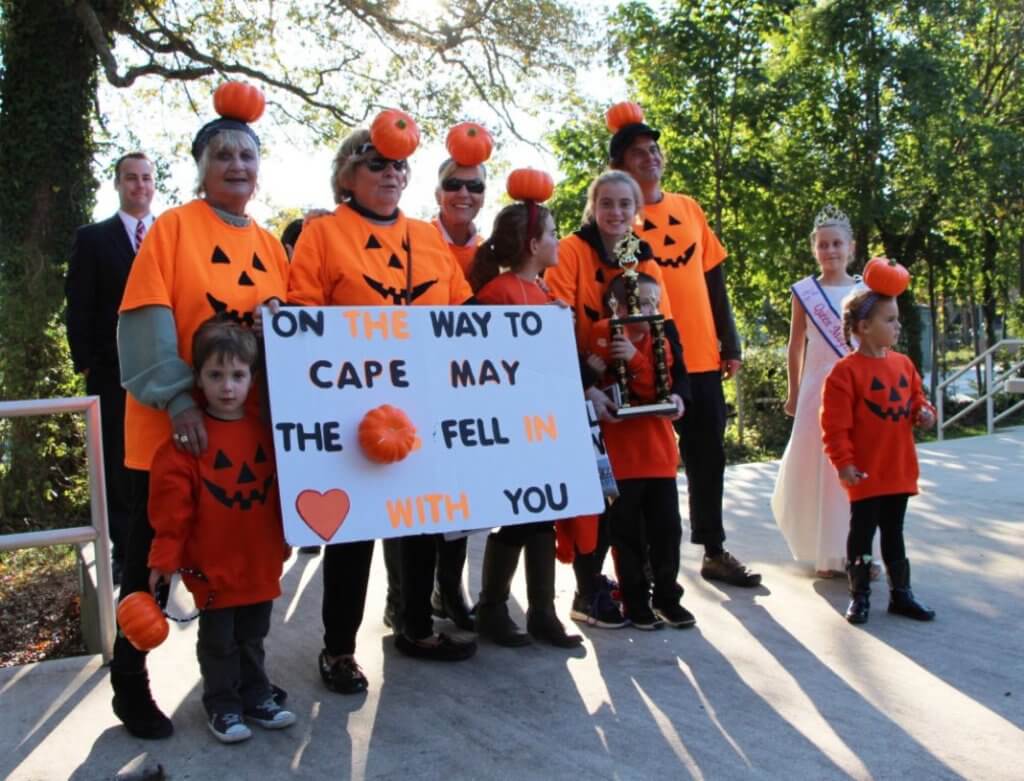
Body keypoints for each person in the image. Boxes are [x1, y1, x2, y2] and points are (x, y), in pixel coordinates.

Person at [111, 105, 289, 739]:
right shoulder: (172, 231)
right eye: (222, 155)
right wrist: (178, 398)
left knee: (238, 565)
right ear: (200, 170)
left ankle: (243, 680)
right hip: (172, 434)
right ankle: (130, 684)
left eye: (246, 155)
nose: (236, 165)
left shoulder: (270, 245)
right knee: (150, 566)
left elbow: (285, 345)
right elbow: (147, 318)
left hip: (242, 442)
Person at [288, 123, 476, 691]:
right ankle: (338, 650)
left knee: (420, 523)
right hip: (350, 413)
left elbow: (464, 318)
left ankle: (415, 626)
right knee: (352, 532)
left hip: (421, 408)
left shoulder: (428, 237)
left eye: (399, 166)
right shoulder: (322, 235)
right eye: (377, 163)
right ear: (348, 174)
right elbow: (302, 319)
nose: (391, 173)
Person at [609, 112, 761, 588]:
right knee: (652, 467)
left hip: (700, 357)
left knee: (707, 457)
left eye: (654, 150)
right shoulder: (617, 217)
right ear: (620, 165)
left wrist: (729, 341)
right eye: (638, 153)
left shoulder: (688, 209)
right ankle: (651, 561)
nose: (651, 157)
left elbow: (713, 276)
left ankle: (713, 550)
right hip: (647, 363)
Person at [545, 169, 687, 628]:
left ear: (636, 210)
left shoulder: (644, 259)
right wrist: (583, 385)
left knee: (643, 514)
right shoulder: (570, 251)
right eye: (606, 203)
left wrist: (673, 389)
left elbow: (661, 328)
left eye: (625, 204)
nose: (615, 212)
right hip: (585, 379)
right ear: (592, 207)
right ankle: (588, 592)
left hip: (636, 395)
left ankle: (644, 592)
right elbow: (556, 322)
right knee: (596, 504)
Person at [147, 317, 295, 743]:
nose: (227, 386)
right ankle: (223, 706)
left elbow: (292, 489)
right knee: (219, 643)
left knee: (253, 637)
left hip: (259, 561)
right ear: (198, 378)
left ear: (252, 378)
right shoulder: (186, 444)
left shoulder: (271, 433)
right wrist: (163, 561)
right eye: (216, 375)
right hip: (212, 568)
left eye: (237, 375)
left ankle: (257, 695)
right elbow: (171, 513)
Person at [466, 200, 582, 648]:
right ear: (534, 244)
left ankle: (542, 612)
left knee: (543, 515)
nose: (558, 240)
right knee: (520, 517)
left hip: (544, 422)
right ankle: (493, 607)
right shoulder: (500, 293)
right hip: (512, 423)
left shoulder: (546, 292)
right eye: (552, 233)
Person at [821, 275, 937, 625]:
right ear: (864, 327)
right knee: (862, 532)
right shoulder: (844, 373)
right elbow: (835, 427)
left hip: (898, 466)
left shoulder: (903, 365)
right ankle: (860, 596)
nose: (897, 326)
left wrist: (925, 413)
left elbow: (916, 400)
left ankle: (901, 594)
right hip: (866, 471)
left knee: (894, 531)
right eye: (890, 320)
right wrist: (844, 463)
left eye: (897, 319)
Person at [771, 206, 877, 578]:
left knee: (858, 468)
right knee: (819, 469)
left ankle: (861, 552)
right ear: (814, 248)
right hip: (818, 391)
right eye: (823, 244)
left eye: (837, 244)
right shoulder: (805, 292)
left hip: (858, 391)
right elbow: (795, 344)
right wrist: (794, 391)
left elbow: (876, 344)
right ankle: (827, 553)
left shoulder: (866, 291)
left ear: (851, 247)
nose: (830, 250)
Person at [65, 152, 156, 582]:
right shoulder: (94, 238)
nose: (139, 186)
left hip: (166, 368)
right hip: (112, 370)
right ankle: (125, 551)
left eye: (146, 178)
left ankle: (166, 543)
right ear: (118, 184)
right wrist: (85, 365)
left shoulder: (168, 235)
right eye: (131, 179)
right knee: (119, 463)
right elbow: (78, 306)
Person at [586, 273, 692, 629]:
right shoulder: (601, 334)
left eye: (654, 303)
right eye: (643, 302)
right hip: (622, 459)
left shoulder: (659, 339)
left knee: (667, 532)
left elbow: (655, 388)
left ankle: (667, 596)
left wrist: (635, 358)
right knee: (626, 535)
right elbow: (595, 381)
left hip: (660, 456)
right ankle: (634, 601)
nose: (650, 310)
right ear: (618, 305)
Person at [428, 157, 487, 630]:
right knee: (411, 497)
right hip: (420, 386)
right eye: (454, 185)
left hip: (470, 389)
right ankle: (404, 596)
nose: (464, 194)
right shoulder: (416, 240)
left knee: (460, 498)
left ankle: (450, 588)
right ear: (437, 192)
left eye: (475, 187)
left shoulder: (493, 252)